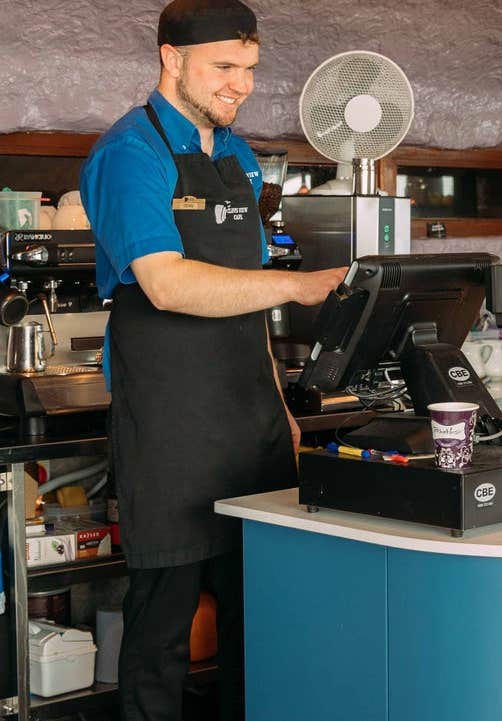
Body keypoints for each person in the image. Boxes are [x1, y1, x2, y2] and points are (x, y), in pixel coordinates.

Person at [79, 2, 347, 719]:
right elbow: (165, 282)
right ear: (172, 58)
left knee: (256, 622)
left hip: (249, 423)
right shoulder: (128, 152)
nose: (241, 85)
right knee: (163, 627)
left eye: (250, 69)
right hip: (170, 426)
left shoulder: (238, 156)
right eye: (224, 67)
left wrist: (281, 410)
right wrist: (297, 284)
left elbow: (248, 306)